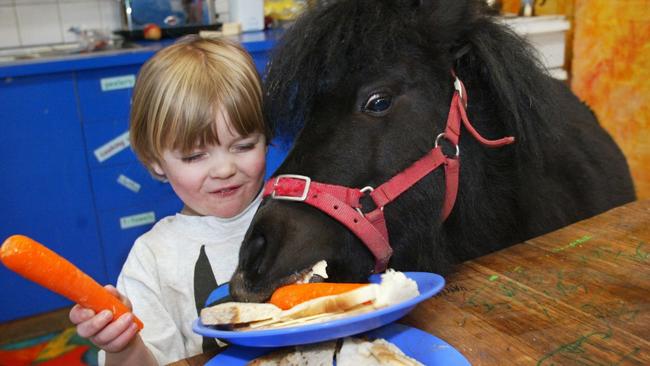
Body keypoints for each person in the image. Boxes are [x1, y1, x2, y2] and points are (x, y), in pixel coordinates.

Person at [68, 35, 270, 365]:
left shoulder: (301, 213)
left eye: (244, 146)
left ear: (267, 137)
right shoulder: (152, 260)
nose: (224, 169)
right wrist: (123, 346)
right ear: (156, 162)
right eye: (194, 156)